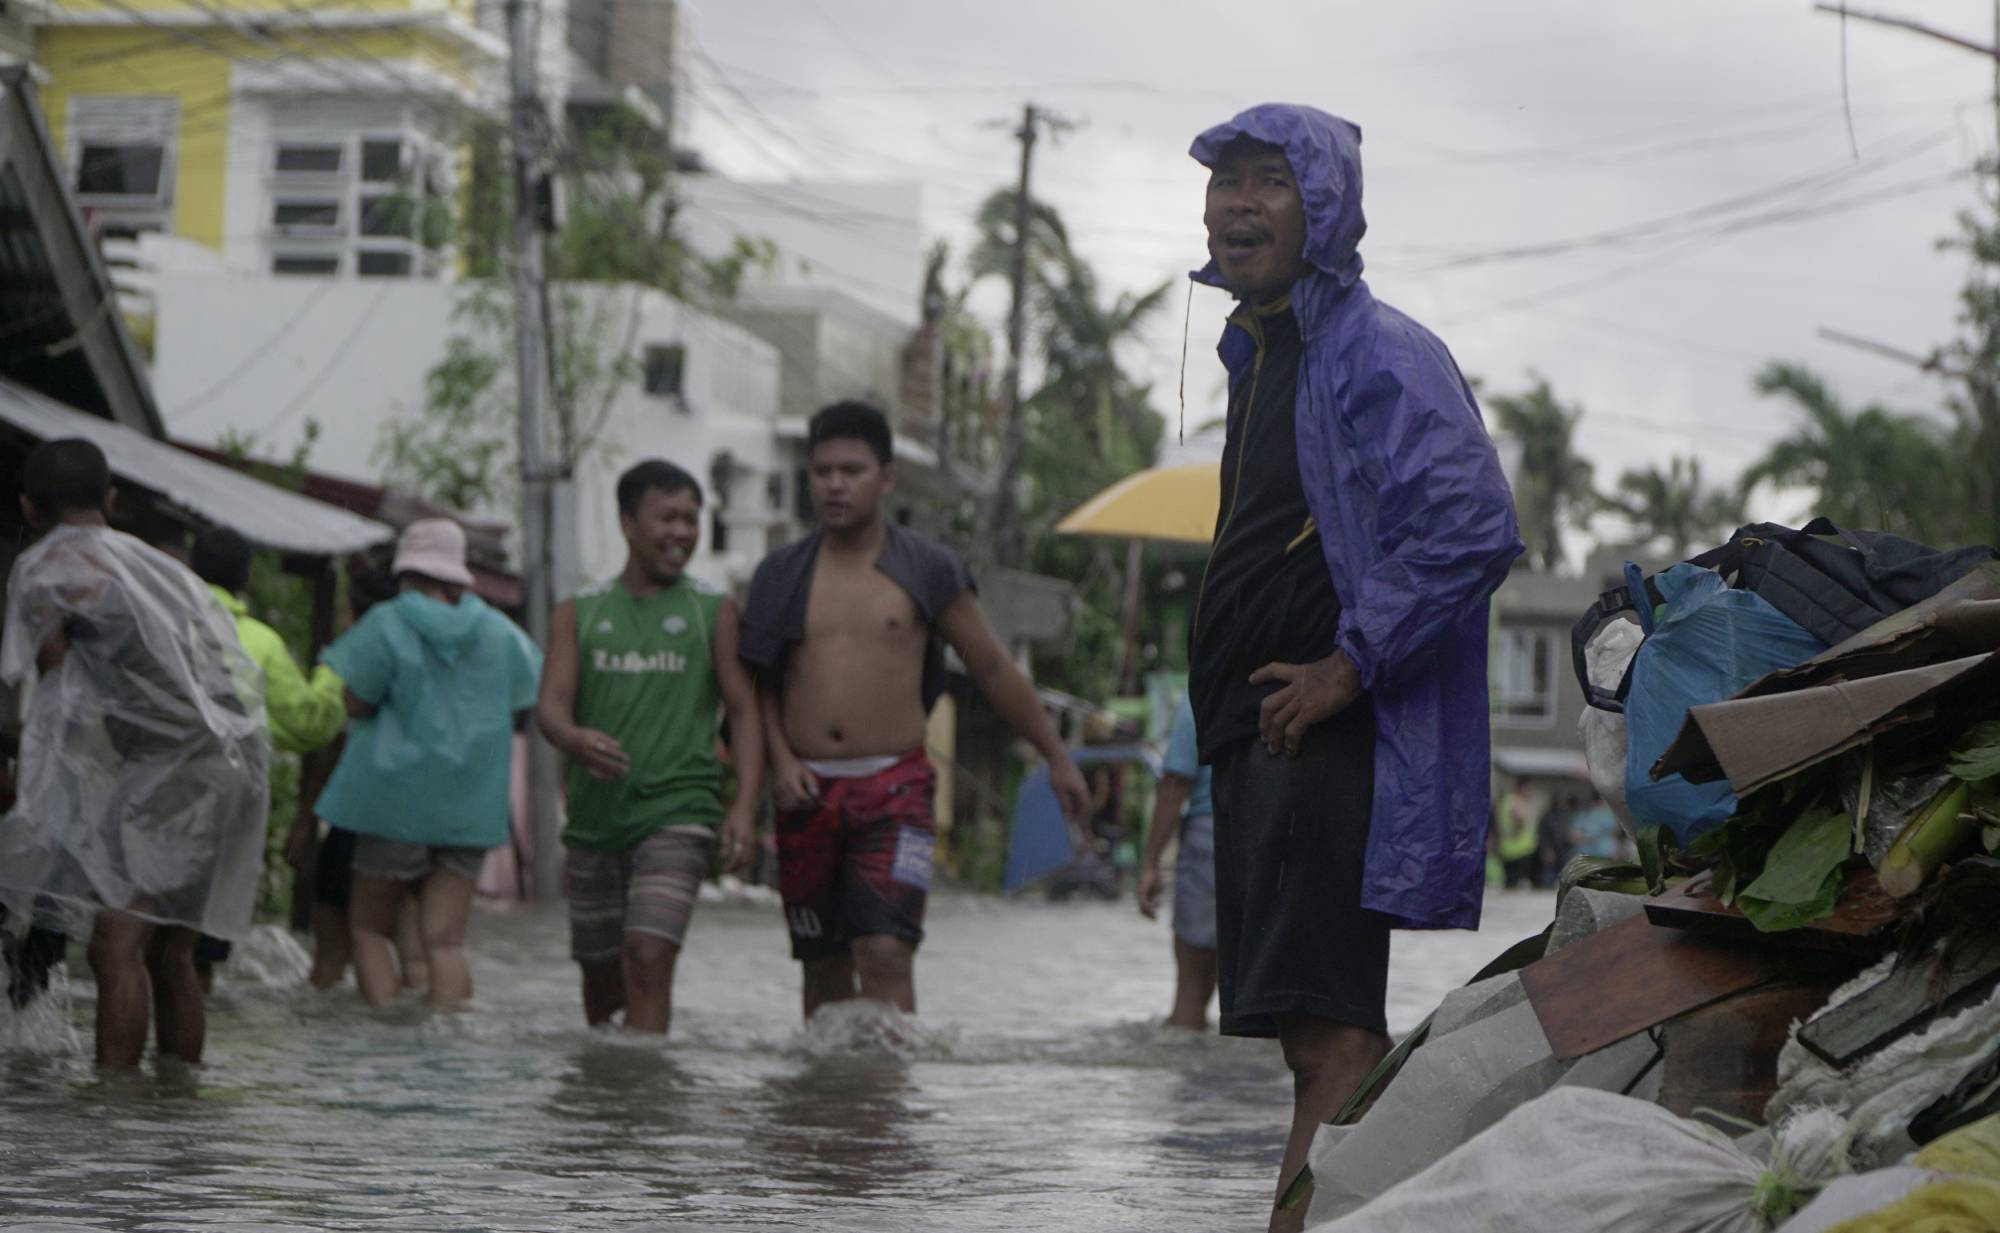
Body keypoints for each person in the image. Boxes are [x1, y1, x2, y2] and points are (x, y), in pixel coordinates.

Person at [1184, 106, 1522, 1230]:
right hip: (1265, 731)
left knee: (1326, 1038)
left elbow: (1472, 524)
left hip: (1321, 732)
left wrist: (1342, 667)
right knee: (1322, 1034)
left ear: (1322, 208)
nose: (1238, 202)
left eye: (1268, 180)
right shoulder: (1266, 348)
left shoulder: (1373, 348)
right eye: (1226, 180)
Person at [740, 401, 1091, 1019]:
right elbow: (759, 686)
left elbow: (991, 666)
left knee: (885, 952)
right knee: (822, 965)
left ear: (887, 477)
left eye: (852, 470)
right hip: (807, 794)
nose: (835, 484)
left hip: (895, 788)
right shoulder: (781, 574)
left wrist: (1057, 758)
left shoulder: (926, 567)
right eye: (822, 472)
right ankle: (819, 1109)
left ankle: (886, 1105)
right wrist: (780, 758)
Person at [0, 438, 270, 1066]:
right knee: (171, 950)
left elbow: (45, 691)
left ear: (28, 508)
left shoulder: (48, 567)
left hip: (174, 768)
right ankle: (176, 1112)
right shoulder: (163, 568)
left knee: (113, 948)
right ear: (112, 500)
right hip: (236, 758)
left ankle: (116, 1116)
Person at [536, 460, 764, 1035]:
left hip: (679, 812)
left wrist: (743, 808)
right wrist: (571, 736)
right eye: (668, 518)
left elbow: (743, 709)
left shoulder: (712, 612)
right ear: (628, 523)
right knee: (601, 978)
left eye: (692, 519)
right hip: (594, 821)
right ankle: (607, 1101)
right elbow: (551, 706)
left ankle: (647, 1099)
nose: (682, 532)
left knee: (647, 954)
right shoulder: (579, 612)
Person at [312, 518, 541, 1009]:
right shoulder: (498, 632)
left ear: (406, 569)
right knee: (446, 942)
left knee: (369, 929)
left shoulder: (388, 622)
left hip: (394, 802)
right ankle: (447, 1045)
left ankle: (386, 1040)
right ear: (456, 574)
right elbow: (522, 693)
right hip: (469, 805)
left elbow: (358, 700)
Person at [186, 525, 349, 992]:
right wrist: (330, 677)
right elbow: (307, 724)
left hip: (157, 798)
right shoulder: (258, 642)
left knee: (141, 932)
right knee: (197, 949)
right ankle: (181, 1058)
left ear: (192, 571)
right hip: (225, 805)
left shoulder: (166, 625)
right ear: (248, 580)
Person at [1136, 693, 1217, 1031]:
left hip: (1208, 844)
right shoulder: (1283, 689)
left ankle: (1191, 1085)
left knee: (1190, 996)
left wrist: (1151, 862)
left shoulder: (1199, 701)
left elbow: (1174, 785)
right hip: (1272, 842)